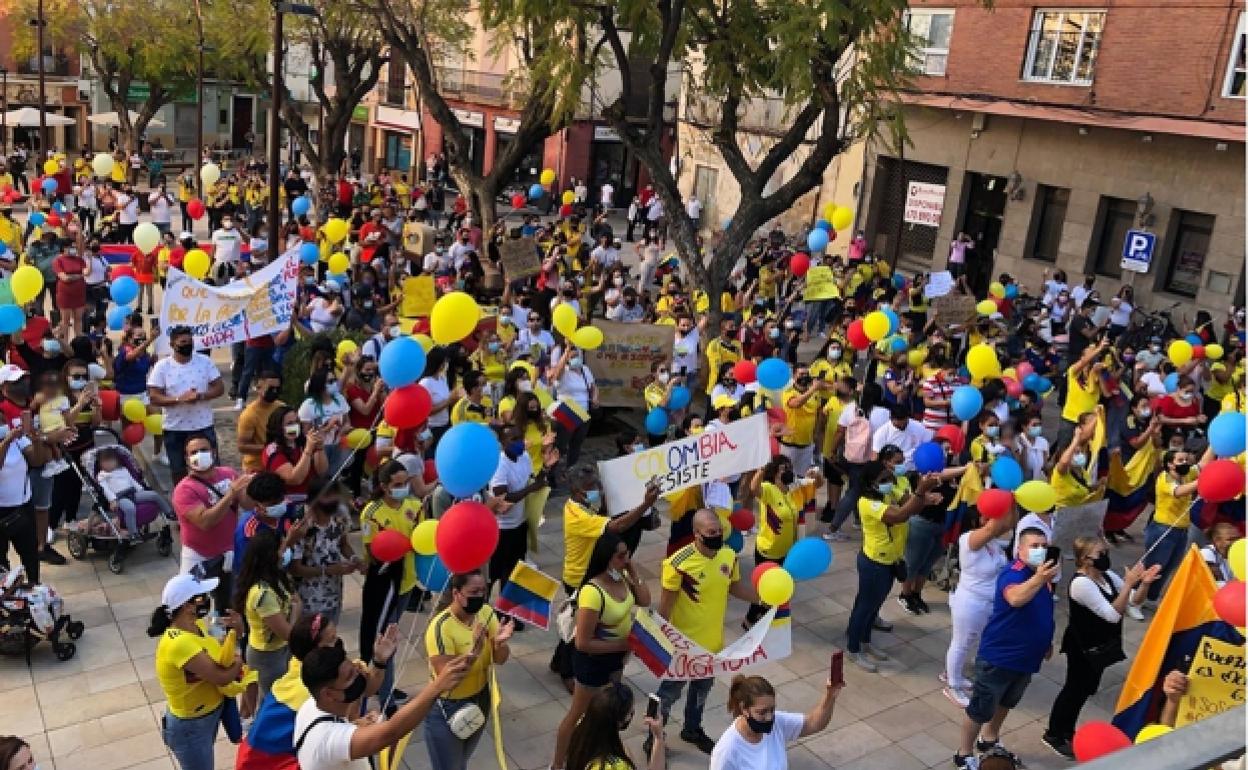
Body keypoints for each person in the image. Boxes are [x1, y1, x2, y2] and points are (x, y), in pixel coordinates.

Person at [651, 509, 759, 756]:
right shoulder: (677, 564)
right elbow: (664, 609)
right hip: (682, 647)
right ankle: (654, 736)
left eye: (719, 531)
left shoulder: (729, 555)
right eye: (711, 532)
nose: (717, 536)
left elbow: (734, 587)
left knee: (701, 691)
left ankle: (692, 729)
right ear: (696, 534)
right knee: (667, 694)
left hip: (712, 646)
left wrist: (764, 599)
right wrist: (659, 643)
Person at [1041, 537, 1159, 759]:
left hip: (1100, 646)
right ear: (1085, 559)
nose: (1105, 557)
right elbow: (1112, 615)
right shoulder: (1081, 584)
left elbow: (1134, 601)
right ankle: (1055, 733)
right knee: (1074, 690)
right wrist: (1127, 585)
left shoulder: (1106, 577)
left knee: (1085, 690)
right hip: (1083, 647)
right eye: (1099, 554)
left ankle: (1067, 729)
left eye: (1105, 552)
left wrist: (1144, 583)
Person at [955, 528, 1058, 770]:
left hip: (1027, 658)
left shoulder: (1042, 576)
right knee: (981, 708)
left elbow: (1043, 611)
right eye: (1034, 545)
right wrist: (1039, 579)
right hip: (1000, 658)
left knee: (1008, 701)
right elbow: (1015, 599)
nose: (1040, 550)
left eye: (1043, 545)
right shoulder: (1013, 574)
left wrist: (1046, 641)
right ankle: (964, 753)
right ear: (1019, 549)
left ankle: (989, 737)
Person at [551, 532, 651, 769]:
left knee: (607, 714)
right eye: (621, 556)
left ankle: (596, 751)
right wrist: (625, 645)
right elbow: (583, 642)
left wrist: (634, 574)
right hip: (593, 663)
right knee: (578, 713)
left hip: (615, 660)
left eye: (627, 554)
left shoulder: (623, 578)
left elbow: (645, 600)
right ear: (606, 558)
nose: (626, 559)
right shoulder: (592, 592)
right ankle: (557, 764)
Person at [294, 644, 470, 770]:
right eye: (350, 676)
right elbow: (390, 733)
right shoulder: (327, 740)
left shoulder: (311, 706)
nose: (360, 673)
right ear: (328, 694)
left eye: (354, 667)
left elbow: (366, 691)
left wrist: (379, 661)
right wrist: (436, 687)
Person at [845, 460, 941, 672]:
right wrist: (921, 493)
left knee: (875, 605)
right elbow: (899, 515)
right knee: (865, 606)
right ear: (871, 484)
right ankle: (853, 649)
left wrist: (925, 495)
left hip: (891, 560)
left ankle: (865, 642)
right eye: (883, 480)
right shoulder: (867, 502)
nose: (889, 482)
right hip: (874, 563)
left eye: (889, 477)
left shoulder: (887, 493)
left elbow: (911, 503)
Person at [148, 573, 247, 770]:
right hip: (191, 727)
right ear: (187, 605)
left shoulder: (200, 624)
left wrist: (237, 630)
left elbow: (224, 646)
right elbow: (221, 677)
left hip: (209, 713)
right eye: (201, 597)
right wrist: (240, 661)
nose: (207, 600)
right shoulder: (179, 643)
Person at [423, 570, 514, 770]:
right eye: (474, 592)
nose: (480, 596)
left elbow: (501, 659)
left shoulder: (486, 613)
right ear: (457, 594)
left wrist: (499, 644)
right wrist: (475, 650)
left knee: (461, 761)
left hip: (480, 698)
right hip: (449, 706)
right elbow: (446, 676)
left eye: (483, 590)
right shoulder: (440, 627)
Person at [359, 460, 424, 708]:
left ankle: (382, 684)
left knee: (391, 636)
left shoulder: (415, 506)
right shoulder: (372, 513)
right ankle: (385, 695)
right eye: (398, 484)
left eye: (406, 482)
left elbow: (422, 539)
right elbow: (373, 552)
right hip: (384, 584)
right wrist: (400, 547)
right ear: (384, 486)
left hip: (406, 582)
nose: (404, 487)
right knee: (386, 639)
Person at [171, 436, 252, 611]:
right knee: (189, 604)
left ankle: (226, 633)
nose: (200, 454)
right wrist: (231, 494)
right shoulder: (184, 490)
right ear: (187, 459)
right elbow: (205, 521)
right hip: (198, 555)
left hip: (228, 552)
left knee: (229, 603)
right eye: (194, 452)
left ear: (214, 452)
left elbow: (247, 504)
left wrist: (252, 487)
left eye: (204, 449)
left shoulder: (229, 474)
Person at [708, 674, 842, 770]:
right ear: (744, 709)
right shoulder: (726, 751)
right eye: (761, 712)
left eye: (772, 709)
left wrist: (830, 696)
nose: (769, 717)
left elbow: (813, 723)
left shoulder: (777, 722)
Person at [746, 456, 818, 625]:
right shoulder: (768, 489)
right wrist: (761, 469)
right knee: (763, 589)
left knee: (778, 588)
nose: (788, 471)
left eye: (790, 467)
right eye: (783, 468)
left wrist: (814, 474)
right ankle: (750, 620)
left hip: (787, 550)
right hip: (768, 550)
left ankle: (770, 618)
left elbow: (817, 484)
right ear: (774, 472)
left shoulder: (793, 489)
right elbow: (754, 488)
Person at [149, 325, 224, 482]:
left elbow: (219, 388)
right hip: (175, 428)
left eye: (190, 341)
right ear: (172, 345)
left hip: (202, 426)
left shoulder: (204, 361)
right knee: (179, 472)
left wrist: (201, 396)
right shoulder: (162, 367)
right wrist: (178, 399)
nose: (187, 345)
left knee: (211, 468)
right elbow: (154, 397)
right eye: (183, 342)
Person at [234, 529, 302, 696]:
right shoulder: (262, 594)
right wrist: (295, 613)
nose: (284, 553)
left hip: (282, 649)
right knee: (273, 699)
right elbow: (286, 632)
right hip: (268, 656)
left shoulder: (277, 577)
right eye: (281, 549)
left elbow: (295, 598)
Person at [488, 423, 555, 594]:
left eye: (520, 437)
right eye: (513, 439)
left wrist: (546, 468)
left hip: (520, 524)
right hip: (501, 529)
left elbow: (532, 480)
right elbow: (502, 496)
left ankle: (505, 612)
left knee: (513, 572)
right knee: (493, 573)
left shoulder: (524, 456)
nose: (519, 442)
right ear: (503, 443)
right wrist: (531, 489)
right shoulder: (499, 465)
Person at [1134, 449, 1200, 607]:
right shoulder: (1165, 479)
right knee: (1154, 565)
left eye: (1186, 460)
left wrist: (1214, 445)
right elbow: (1178, 492)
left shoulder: (1187, 475)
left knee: (1169, 566)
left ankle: (1150, 598)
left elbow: (1203, 464)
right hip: (1163, 530)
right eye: (1180, 460)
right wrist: (1203, 482)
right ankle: (1133, 600)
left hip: (1181, 530)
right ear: (1170, 464)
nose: (1185, 463)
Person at [289, 480, 358, 624]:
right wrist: (327, 570)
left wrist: (354, 559)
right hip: (307, 600)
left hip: (333, 593)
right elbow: (295, 569)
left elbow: (343, 544)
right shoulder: (301, 524)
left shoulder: (340, 515)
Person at [95, 445, 173, 539]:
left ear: (116, 461)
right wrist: (112, 500)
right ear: (100, 463)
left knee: (154, 495)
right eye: (104, 461)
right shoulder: (102, 475)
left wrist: (141, 489)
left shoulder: (123, 470)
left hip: (133, 493)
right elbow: (106, 489)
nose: (108, 464)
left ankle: (169, 512)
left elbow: (132, 480)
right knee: (130, 508)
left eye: (110, 461)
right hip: (120, 498)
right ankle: (133, 533)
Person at [263, 405, 329, 505]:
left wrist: (320, 447)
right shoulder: (273, 450)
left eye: (297, 422)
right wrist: (308, 451)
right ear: (278, 427)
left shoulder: (304, 442)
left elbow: (322, 471)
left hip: (312, 499)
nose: (295, 426)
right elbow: (294, 479)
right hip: (287, 503)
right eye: (290, 423)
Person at [237, 368, 285, 474]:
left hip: (279, 464)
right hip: (257, 468)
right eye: (271, 388)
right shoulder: (249, 415)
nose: (275, 392)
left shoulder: (281, 407)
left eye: (278, 388)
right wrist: (270, 448)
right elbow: (242, 446)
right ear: (258, 388)